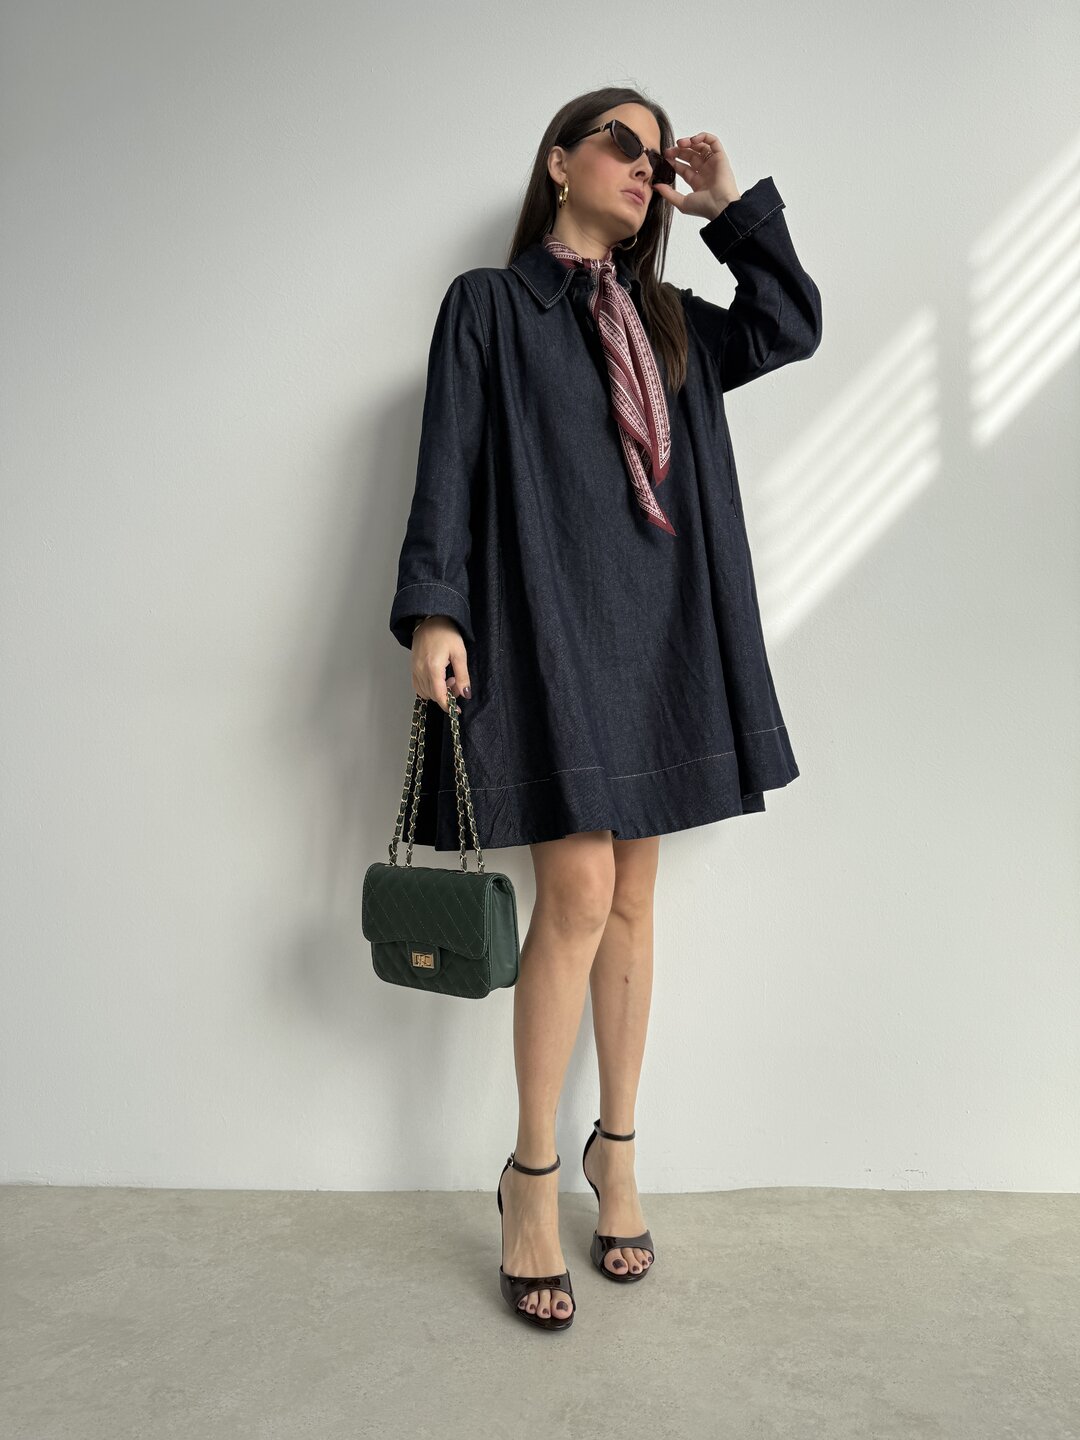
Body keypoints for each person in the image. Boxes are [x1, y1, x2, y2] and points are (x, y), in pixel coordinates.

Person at [388, 87, 823, 1332]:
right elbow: (447, 460)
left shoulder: (668, 319)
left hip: (664, 627)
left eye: (653, 154)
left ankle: (615, 1152)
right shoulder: (489, 306)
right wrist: (435, 611)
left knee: (633, 897)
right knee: (576, 893)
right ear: (558, 162)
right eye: (619, 144)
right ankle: (532, 1177)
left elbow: (790, 324)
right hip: (550, 626)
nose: (641, 166)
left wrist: (727, 206)